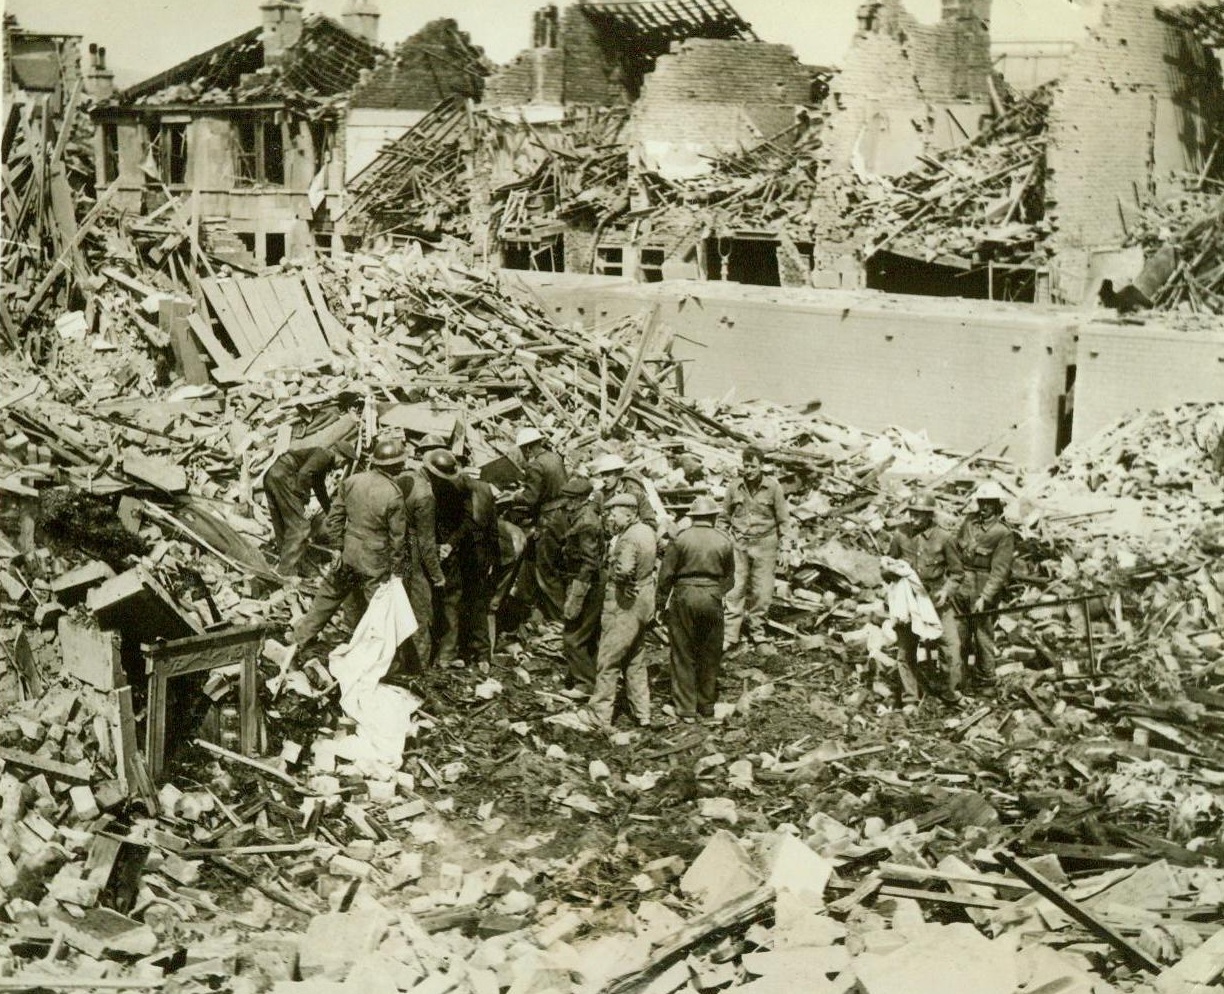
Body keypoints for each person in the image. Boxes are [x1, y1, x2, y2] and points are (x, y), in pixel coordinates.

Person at [291, 438, 408, 649]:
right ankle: (383, 656)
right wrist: (397, 570)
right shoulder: (394, 494)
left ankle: (300, 636)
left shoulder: (353, 481)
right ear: (394, 466)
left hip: (348, 552)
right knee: (379, 607)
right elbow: (397, 539)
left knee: (329, 594)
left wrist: (337, 547)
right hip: (374, 559)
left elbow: (334, 518)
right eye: (400, 463)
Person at [655, 496, 735, 722]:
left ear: (692, 517)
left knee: (683, 651)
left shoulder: (681, 539)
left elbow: (666, 575)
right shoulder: (724, 539)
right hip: (712, 596)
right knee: (710, 651)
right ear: (714, 517)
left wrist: (660, 603)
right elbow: (731, 578)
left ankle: (686, 709)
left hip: (684, 594)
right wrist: (716, 593)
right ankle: (706, 705)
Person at [586, 493, 657, 729]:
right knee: (635, 657)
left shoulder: (628, 538)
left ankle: (600, 715)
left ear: (629, 513)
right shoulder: (647, 531)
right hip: (645, 600)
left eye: (614, 514)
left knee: (609, 658)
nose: (611, 518)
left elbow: (625, 568)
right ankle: (642, 712)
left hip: (624, 604)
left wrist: (621, 581)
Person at [425, 449, 500, 667]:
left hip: (459, 552)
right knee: (475, 603)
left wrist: (446, 544)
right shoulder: (485, 488)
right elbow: (491, 527)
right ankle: (482, 654)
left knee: (450, 600)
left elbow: (458, 522)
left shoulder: (449, 488)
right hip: (477, 552)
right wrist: (491, 558)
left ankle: (447, 652)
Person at [886, 494, 963, 705]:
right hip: (909, 601)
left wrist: (946, 591)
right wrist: (892, 571)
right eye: (911, 514)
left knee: (951, 647)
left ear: (929, 516)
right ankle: (910, 698)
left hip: (937, 601)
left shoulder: (944, 538)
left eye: (918, 515)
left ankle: (950, 693)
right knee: (905, 652)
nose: (912, 519)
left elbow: (957, 573)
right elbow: (887, 566)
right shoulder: (900, 535)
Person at [720, 444, 789, 657]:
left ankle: (758, 634)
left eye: (752, 466)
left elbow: (784, 521)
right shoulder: (734, 487)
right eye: (745, 466)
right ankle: (730, 636)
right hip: (739, 544)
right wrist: (722, 542)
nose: (748, 470)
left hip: (765, 545)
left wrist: (785, 548)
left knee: (762, 591)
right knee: (735, 589)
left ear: (762, 466)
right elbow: (724, 518)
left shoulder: (774, 488)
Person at [953, 481, 1015, 692]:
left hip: (982, 584)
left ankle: (986, 679)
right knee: (958, 634)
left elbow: (1000, 570)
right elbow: (956, 548)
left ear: (998, 505)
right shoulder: (969, 522)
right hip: (962, 584)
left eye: (989, 502)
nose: (984, 506)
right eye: (982, 501)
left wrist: (985, 597)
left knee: (982, 636)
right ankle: (958, 679)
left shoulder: (1002, 532)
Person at [264, 439, 356, 576]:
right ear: (340, 456)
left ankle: (286, 563)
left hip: (272, 475)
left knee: (282, 524)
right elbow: (304, 474)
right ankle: (285, 572)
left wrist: (329, 512)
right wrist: (304, 495)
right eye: (343, 463)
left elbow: (320, 489)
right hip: (284, 476)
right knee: (300, 527)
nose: (341, 467)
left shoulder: (321, 461)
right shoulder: (326, 455)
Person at [393, 456, 447, 672]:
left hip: (393, 543)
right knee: (420, 607)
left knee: (396, 601)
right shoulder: (426, 495)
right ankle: (417, 666)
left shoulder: (403, 476)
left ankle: (395, 660)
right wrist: (437, 576)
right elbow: (426, 543)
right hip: (413, 549)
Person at [557, 478, 603, 693]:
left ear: (577, 500)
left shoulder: (586, 522)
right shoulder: (582, 516)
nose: (565, 502)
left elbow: (590, 561)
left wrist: (577, 592)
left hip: (586, 581)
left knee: (574, 634)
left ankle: (584, 684)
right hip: (583, 579)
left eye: (568, 498)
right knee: (587, 634)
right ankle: (590, 679)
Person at [589, 452, 658, 531]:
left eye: (608, 475)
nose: (604, 479)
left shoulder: (636, 494)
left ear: (619, 474)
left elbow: (650, 522)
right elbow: (589, 517)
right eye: (603, 475)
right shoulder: (601, 495)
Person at [511, 426, 567, 523]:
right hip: (565, 506)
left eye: (522, 450)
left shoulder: (535, 465)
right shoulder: (555, 456)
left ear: (528, 448)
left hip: (550, 513)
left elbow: (530, 498)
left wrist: (515, 496)